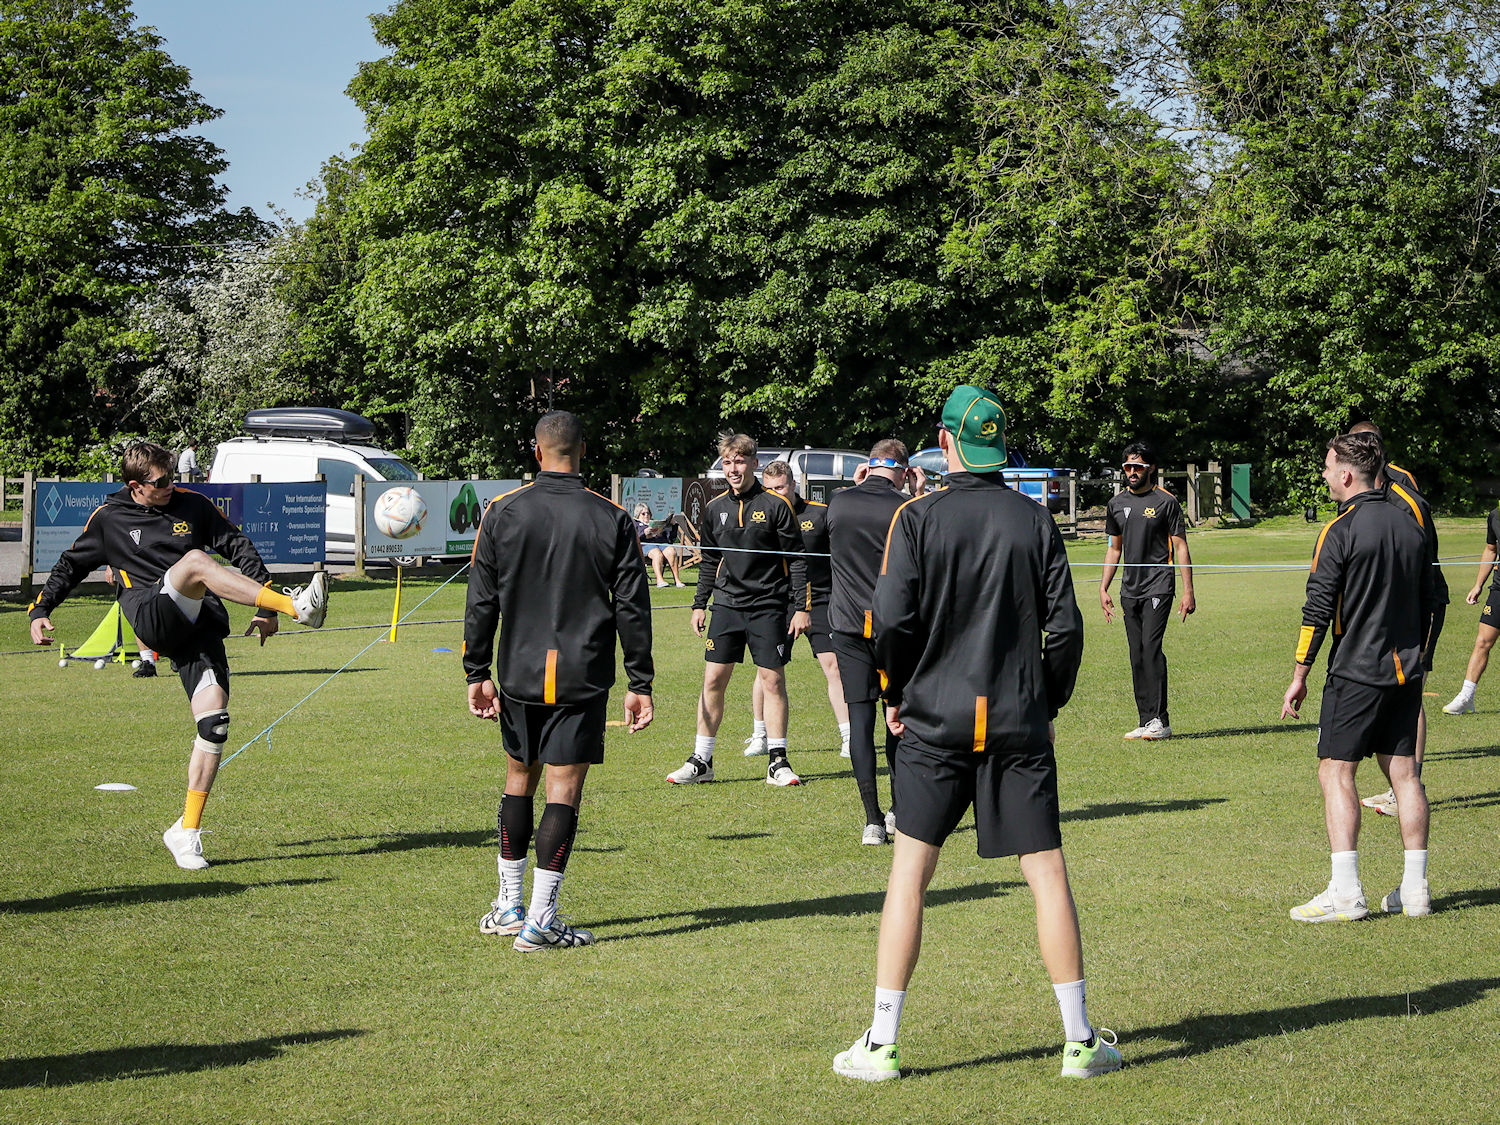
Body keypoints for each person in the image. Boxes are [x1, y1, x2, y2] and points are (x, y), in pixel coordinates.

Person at [833, 386, 1120, 1082]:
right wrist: (1045, 700)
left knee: (909, 875)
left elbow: (892, 620)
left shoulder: (917, 516)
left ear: (945, 439)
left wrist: (892, 690)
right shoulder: (1035, 519)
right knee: (1046, 873)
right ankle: (1079, 1040)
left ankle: (882, 1042)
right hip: (1017, 719)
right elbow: (1068, 628)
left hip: (935, 718)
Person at [29, 441, 329, 870]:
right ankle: (297, 606)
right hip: (152, 614)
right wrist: (40, 609)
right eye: (162, 481)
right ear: (136, 487)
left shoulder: (195, 505)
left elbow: (238, 546)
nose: (172, 485)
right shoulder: (109, 518)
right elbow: (68, 565)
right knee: (194, 563)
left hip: (198, 628)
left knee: (215, 724)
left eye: (173, 475)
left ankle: (186, 832)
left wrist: (263, 607)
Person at [465, 411, 654, 951]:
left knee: (517, 779)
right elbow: (632, 608)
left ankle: (510, 905)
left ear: (536, 451)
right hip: (580, 673)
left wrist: (476, 671)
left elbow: (482, 600)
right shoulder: (612, 517)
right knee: (564, 790)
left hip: (519, 674)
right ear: (583, 450)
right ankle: (539, 921)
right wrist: (640, 680)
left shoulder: (502, 512)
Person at [1279, 432, 1437, 922]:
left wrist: (1299, 673)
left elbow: (1318, 609)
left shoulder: (1338, 530)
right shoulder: (1412, 525)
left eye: (1328, 467)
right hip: (1406, 673)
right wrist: (1421, 659)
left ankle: (1345, 893)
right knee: (1406, 776)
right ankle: (1416, 892)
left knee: (1335, 770)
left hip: (1356, 673)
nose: (1325, 475)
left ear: (1347, 474)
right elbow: (1434, 599)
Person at [668, 433, 809, 787]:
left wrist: (800, 608)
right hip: (727, 606)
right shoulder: (715, 509)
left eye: (740, 461)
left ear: (754, 463)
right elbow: (708, 561)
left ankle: (778, 761)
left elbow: (798, 560)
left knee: (772, 680)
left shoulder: (776, 505)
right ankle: (702, 760)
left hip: (768, 606)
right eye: (727, 462)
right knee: (713, 680)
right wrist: (699, 604)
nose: (733, 469)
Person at [1344, 422, 1448, 818]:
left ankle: (1407, 785)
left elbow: (1421, 557)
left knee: (1410, 686)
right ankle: (1400, 783)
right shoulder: (1361, 489)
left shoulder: (1403, 490)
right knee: (1392, 683)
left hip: (1417, 603)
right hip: (1386, 603)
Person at [825, 439, 925, 845]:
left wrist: (854, 485)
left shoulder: (838, 503)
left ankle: (870, 819)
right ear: (902, 470)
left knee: (860, 722)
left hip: (848, 627)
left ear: (867, 467)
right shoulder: (907, 508)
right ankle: (898, 810)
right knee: (898, 718)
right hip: (894, 627)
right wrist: (916, 493)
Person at [742, 460, 849, 759]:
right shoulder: (761, 514)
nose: (775, 493)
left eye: (781, 487)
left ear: (793, 485)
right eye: (769, 488)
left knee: (834, 666)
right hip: (779, 600)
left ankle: (848, 737)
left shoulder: (820, 512)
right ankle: (760, 734)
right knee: (766, 671)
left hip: (821, 599)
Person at [1098, 441, 1195, 740]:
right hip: (1130, 590)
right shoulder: (1116, 505)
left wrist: (1188, 591)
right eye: (1127, 467)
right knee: (1136, 654)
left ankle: (1160, 721)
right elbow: (1114, 550)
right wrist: (1104, 588)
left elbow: (1180, 546)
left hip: (1159, 586)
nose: (1131, 472)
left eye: (1137, 466)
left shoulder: (1166, 502)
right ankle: (1145, 719)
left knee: (1151, 649)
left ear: (1150, 468)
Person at [1439, 504, 1500, 717]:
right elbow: (1491, 549)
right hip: (1499, 589)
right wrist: (1478, 585)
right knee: (1483, 641)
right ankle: (1466, 697)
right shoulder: (1495, 515)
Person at [634, 501, 685, 588]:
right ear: (638, 514)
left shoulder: (654, 523)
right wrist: (643, 533)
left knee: (671, 551)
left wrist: (673, 526)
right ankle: (660, 580)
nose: (646, 515)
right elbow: (633, 538)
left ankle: (677, 580)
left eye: (648, 513)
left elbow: (670, 539)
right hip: (646, 545)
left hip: (661, 543)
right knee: (657, 553)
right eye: (643, 513)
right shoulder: (635, 524)